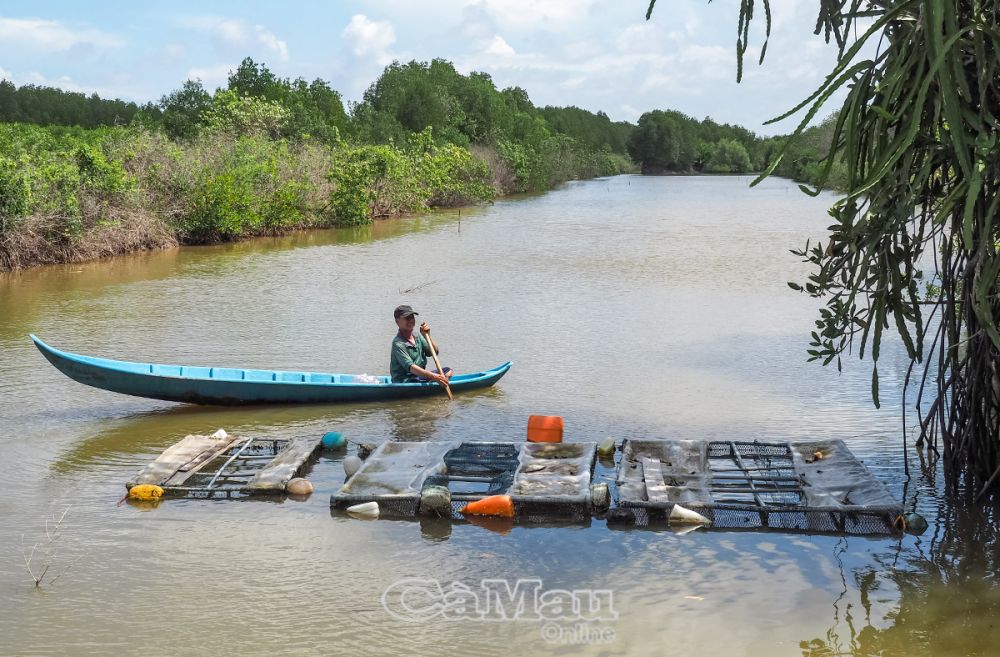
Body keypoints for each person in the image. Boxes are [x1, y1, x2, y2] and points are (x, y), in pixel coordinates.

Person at [390, 305, 453, 384]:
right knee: (436, 376)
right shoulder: (398, 343)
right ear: (397, 322)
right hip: (405, 380)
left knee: (448, 371)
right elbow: (411, 367)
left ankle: (442, 383)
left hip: (419, 377)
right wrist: (434, 376)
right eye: (407, 318)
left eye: (412, 317)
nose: (411, 320)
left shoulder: (417, 336)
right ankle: (438, 382)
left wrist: (427, 336)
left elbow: (434, 352)